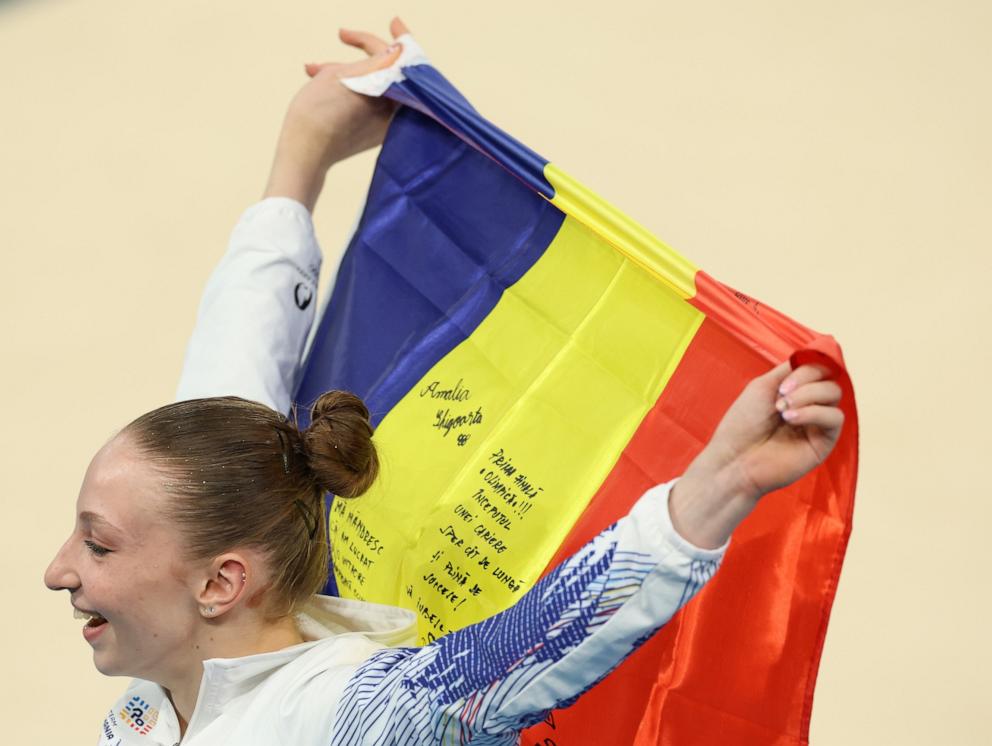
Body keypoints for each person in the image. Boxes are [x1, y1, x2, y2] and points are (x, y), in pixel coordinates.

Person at [44, 19, 845, 746]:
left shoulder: (337, 715)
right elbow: (227, 375)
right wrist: (300, 161)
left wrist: (723, 482)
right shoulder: (168, 687)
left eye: (98, 542)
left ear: (222, 583)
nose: (59, 570)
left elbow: (531, 648)